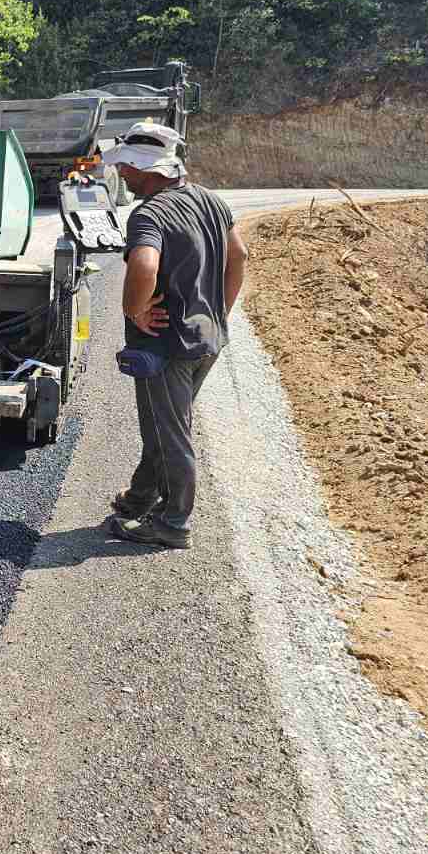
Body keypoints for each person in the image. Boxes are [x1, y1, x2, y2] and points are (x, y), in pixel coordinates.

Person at [100, 122, 250, 549]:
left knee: (170, 434)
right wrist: (219, 312)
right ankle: (139, 498)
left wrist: (135, 310)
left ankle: (172, 522)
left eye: (128, 167)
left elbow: (144, 265)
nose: (124, 175)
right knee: (162, 426)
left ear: (149, 171)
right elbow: (239, 255)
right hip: (207, 338)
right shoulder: (210, 201)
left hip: (168, 345)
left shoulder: (149, 214)